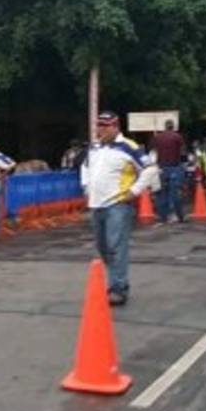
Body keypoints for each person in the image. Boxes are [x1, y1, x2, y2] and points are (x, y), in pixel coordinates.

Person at [81, 112, 154, 306]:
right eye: (99, 126)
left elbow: (150, 168)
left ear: (116, 127)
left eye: (105, 126)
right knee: (103, 247)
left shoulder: (128, 147)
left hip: (118, 203)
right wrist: (86, 186)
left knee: (116, 246)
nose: (101, 130)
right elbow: (85, 167)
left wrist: (135, 190)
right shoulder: (94, 147)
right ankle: (116, 279)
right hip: (96, 203)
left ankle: (118, 287)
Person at [150, 119, 186, 224]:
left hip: (161, 168)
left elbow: (152, 151)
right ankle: (179, 216)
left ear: (165, 126)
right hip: (174, 167)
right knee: (175, 193)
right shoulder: (177, 137)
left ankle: (163, 217)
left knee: (161, 193)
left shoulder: (158, 137)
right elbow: (183, 151)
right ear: (173, 126)